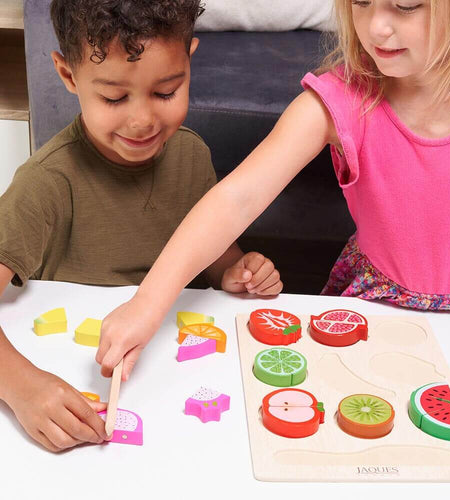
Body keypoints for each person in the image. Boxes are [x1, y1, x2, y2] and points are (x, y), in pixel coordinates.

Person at [97, 0, 450, 382]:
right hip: (372, 315)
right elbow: (236, 199)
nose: (376, 26)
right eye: (361, 2)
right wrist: (146, 306)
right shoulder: (338, 100)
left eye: (406, 5)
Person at [0, 0, 282, 452]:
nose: (143, 121)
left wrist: (233, 268)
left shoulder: (190, 155)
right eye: (114, 98)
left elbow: (212, 253)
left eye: (166, 92)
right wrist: (21, 386)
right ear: (68, 75)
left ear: (189, 59)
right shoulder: (46, 182)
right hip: (80, 375)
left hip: (174, 374)